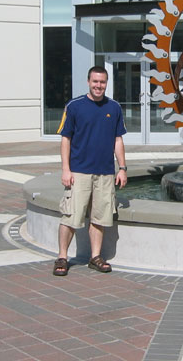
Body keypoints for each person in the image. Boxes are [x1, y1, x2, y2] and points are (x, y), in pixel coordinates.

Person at [54, 66, 128, 276]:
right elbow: (66, 139)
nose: (98, 85)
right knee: (71, 217)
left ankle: (95, 257)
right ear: (88, 82)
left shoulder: (114, 107)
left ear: (106, 83)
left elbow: (118, 140)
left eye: (102, 82)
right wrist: (66, 169)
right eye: (95, 81)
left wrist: (122, 168)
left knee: (100, 217)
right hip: (79, 172)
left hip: (105, 173)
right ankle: (62, 257)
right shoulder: (74, 106)